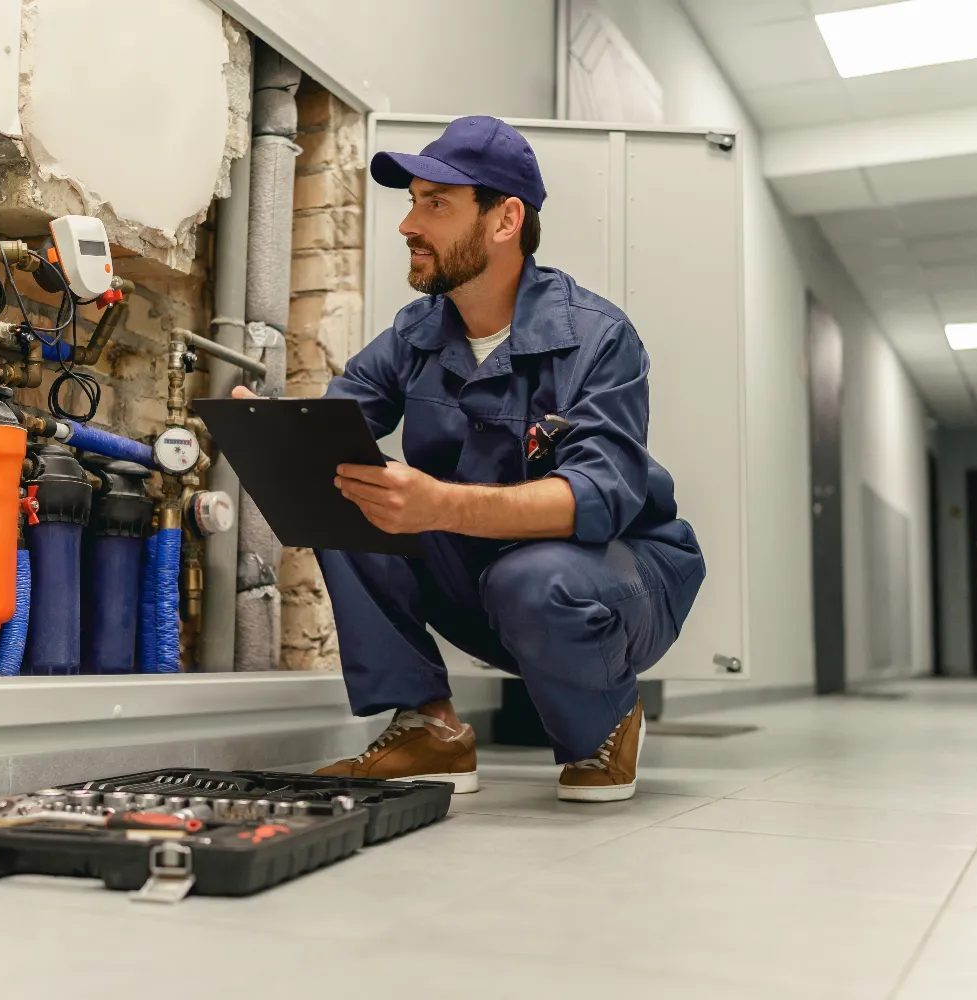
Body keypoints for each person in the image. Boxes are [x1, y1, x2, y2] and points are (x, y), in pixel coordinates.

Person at [234, 116, 703, 802]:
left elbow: (597, 496)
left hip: (619, 579)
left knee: (533, 577)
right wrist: (276, 433)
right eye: (413, 201)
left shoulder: (598, 338)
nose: (409, 225)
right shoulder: (415, 334)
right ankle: (430, 727)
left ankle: (606, 725)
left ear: (505, 220)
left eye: (437, 204)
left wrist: (442, 504)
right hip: (487, 577)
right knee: (348, 489)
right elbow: (338, 431)